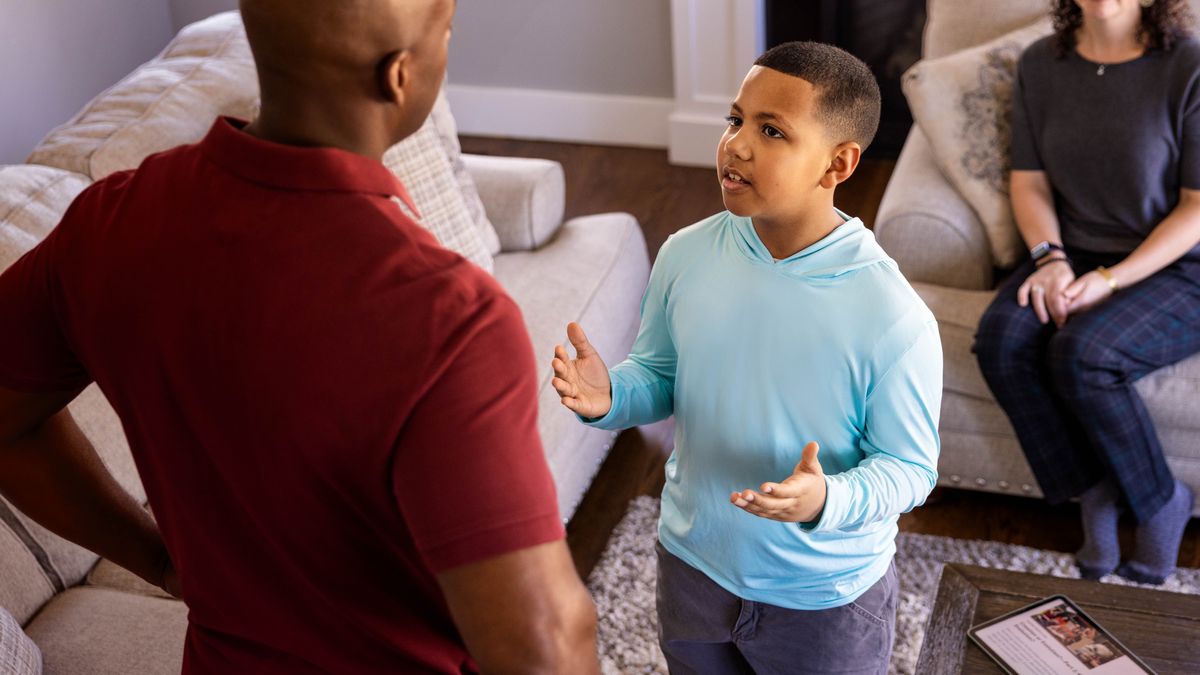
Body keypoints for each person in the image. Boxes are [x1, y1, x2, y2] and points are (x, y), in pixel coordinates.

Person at [0, 0, 599, 672]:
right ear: (399, 75)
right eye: (448, 32)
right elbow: (545, 647)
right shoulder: (448, 318)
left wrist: (160, 558)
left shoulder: (111, 224)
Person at [551, 41, 942, 674]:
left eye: (772, 131)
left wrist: (825, 501)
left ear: (836, 164)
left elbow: (909, 468)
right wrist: (612, 397)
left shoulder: (891, 316)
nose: (737, 144)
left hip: (823, 602)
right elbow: (661, 376)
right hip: (693, 566)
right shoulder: (685, 253)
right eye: (736, 120)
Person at [974, 0, 1200, 586]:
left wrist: (1110, 279)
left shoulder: (1189, 65)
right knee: (1002, 340)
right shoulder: (1040, 65)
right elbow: (1029, 181)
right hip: (1071, 250)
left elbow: (1197, 210)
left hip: (1177, 264)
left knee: (1082, 353)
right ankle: (1094, 487)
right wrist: (1048, 261)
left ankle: (1158, 502)